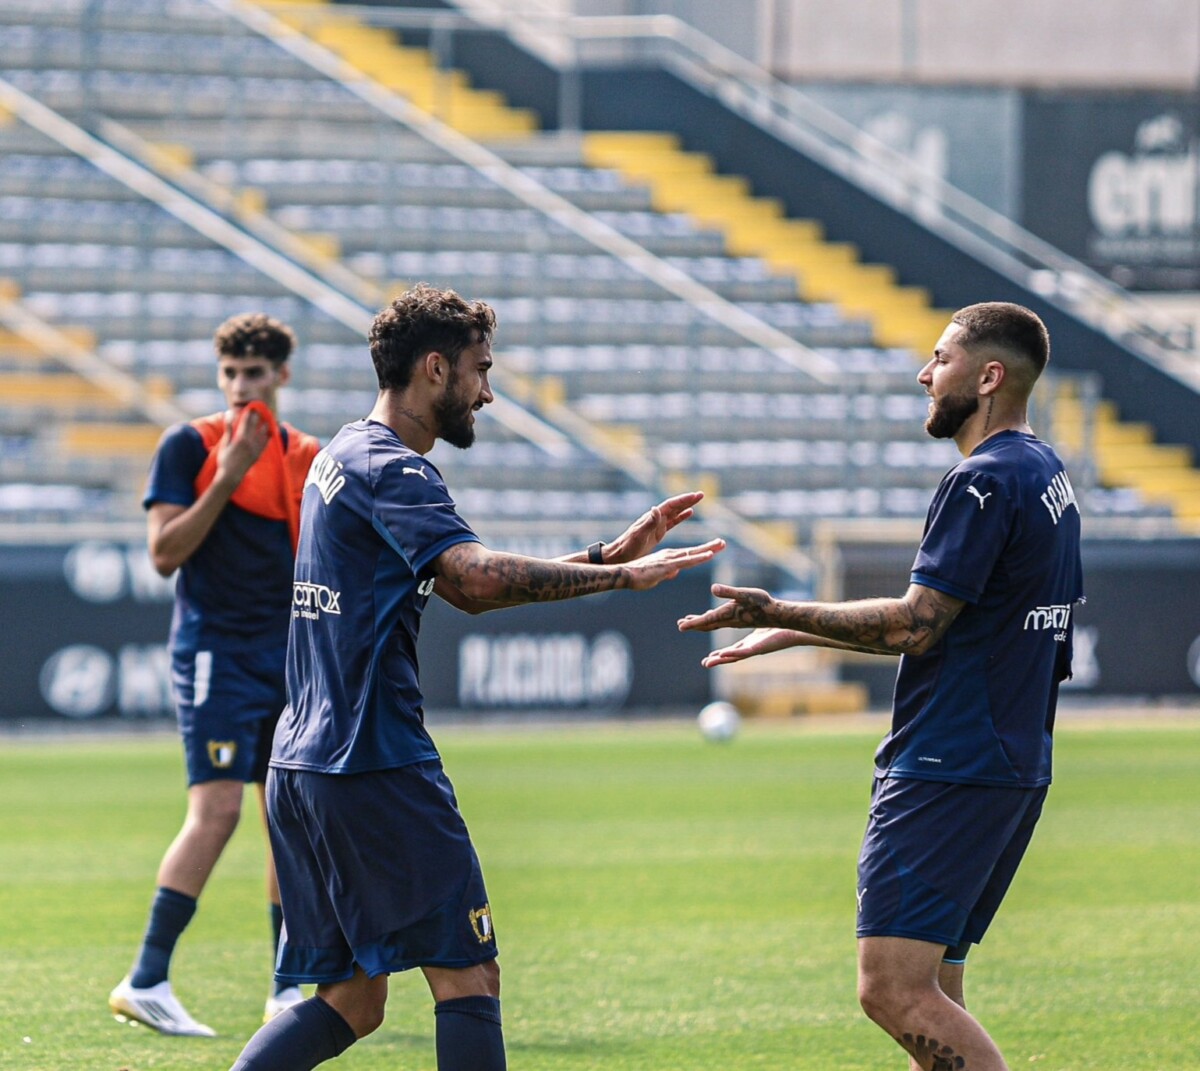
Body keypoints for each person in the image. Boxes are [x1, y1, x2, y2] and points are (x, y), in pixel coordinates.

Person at [226, 283, 724, 1071]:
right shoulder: (396, 469)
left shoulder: (341, 454)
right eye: (480, 370)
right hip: (374, 760)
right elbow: (480, 578)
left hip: (305, 764)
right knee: (468, 974)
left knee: (352, 999)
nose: (488, 391)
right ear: (434, 368)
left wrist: (602, 558)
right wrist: (620, 584)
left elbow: (460, 582)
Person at [679, 302, 1083, 1071]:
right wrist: (804, 631)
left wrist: (782, 607)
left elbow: (914, 625)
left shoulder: (983, 481)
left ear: (988, 376)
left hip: (950, 762)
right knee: (934, 987)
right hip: (1009, 759)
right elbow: (970, 622)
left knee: (892, 991)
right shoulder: (1046, 473)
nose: (925, 374)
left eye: (940, 358)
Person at [109, 313, 321, 1036]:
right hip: (215, 655)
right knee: (218, 809)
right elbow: (165, 552)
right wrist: (227, 476)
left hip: (287, 659)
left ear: (281, 376)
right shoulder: (191, 445)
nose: (239, 387)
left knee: (287, 819)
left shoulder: (306, 456)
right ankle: (146, 977)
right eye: (229, 372)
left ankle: (287, 987)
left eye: (254, 373)